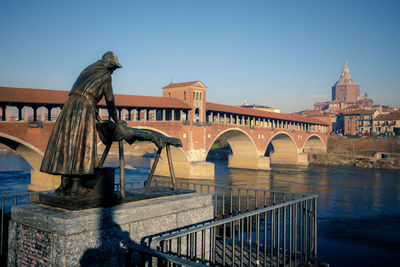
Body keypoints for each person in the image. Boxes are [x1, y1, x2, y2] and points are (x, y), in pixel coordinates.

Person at [40, 51, 122, 195]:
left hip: (69, 106)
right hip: (84, 108)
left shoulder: (88, 69)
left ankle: (64, 184)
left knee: (66, 143)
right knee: (81, 144)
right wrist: (116, 119)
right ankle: (76, 186)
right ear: (109, 63)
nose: (114, 71)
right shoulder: (105, 76)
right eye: (114, 68)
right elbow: (110, 100)